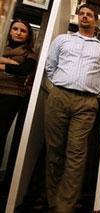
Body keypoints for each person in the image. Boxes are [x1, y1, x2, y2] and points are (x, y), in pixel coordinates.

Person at [44, 4, 100, 212]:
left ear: (95, 20)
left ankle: (65, 205)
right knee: (54, 149)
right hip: (59, 97)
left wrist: (87, 91)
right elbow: (50, 66)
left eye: (89, 15)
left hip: (86, 103)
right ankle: (53, 200)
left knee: (76, 153)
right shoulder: (62, 40)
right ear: (77, 17)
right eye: (81, 14)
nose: (84, 17)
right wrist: (61, 86)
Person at [0, 19, 37, 170]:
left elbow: (23, 70)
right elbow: (16, 68)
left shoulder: (30, 54)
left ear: (28, 36)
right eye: (15, 29)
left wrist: (2, 62)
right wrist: (12, 64)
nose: (18, 33)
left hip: (12, 95)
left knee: (0, 134)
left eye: (23, 31)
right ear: (9, 30)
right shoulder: (2, 46)